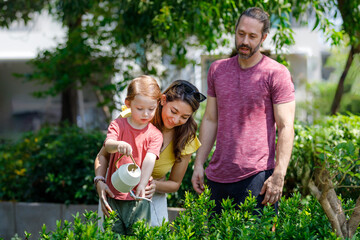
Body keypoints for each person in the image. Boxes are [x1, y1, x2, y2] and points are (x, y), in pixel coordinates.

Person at [191, 7, 295, 215]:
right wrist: (199, 163)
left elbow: (285, 127)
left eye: (252, 36)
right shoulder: (217, 70)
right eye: (241, 34)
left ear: (263, 37)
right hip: (217, 177)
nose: (245, 41)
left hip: (257, 177)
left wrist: (279, 174)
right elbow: (211, 119)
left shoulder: (276, 73)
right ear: (235, 31)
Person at [95, 80, 206, 227]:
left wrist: (154, 185)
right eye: (173, 111)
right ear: (163, 100)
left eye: (184, 117)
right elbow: (102, 155)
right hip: (116, 189)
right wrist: (100, 182)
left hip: (151, 196)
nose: (176, 120)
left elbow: (174, 183)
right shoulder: (134, 117)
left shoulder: (187, 138)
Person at [95, 75, 163, 235]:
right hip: (113, 194)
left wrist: (142, 184)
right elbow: (108, 145)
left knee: (140, 235)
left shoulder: (155, 135)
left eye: (151, 109)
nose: (146, 113)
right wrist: (118, 144)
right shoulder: (118, 125)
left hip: (139, 198)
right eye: (140, 108)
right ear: (128, 104)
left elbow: (149, 159)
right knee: (111, 235)